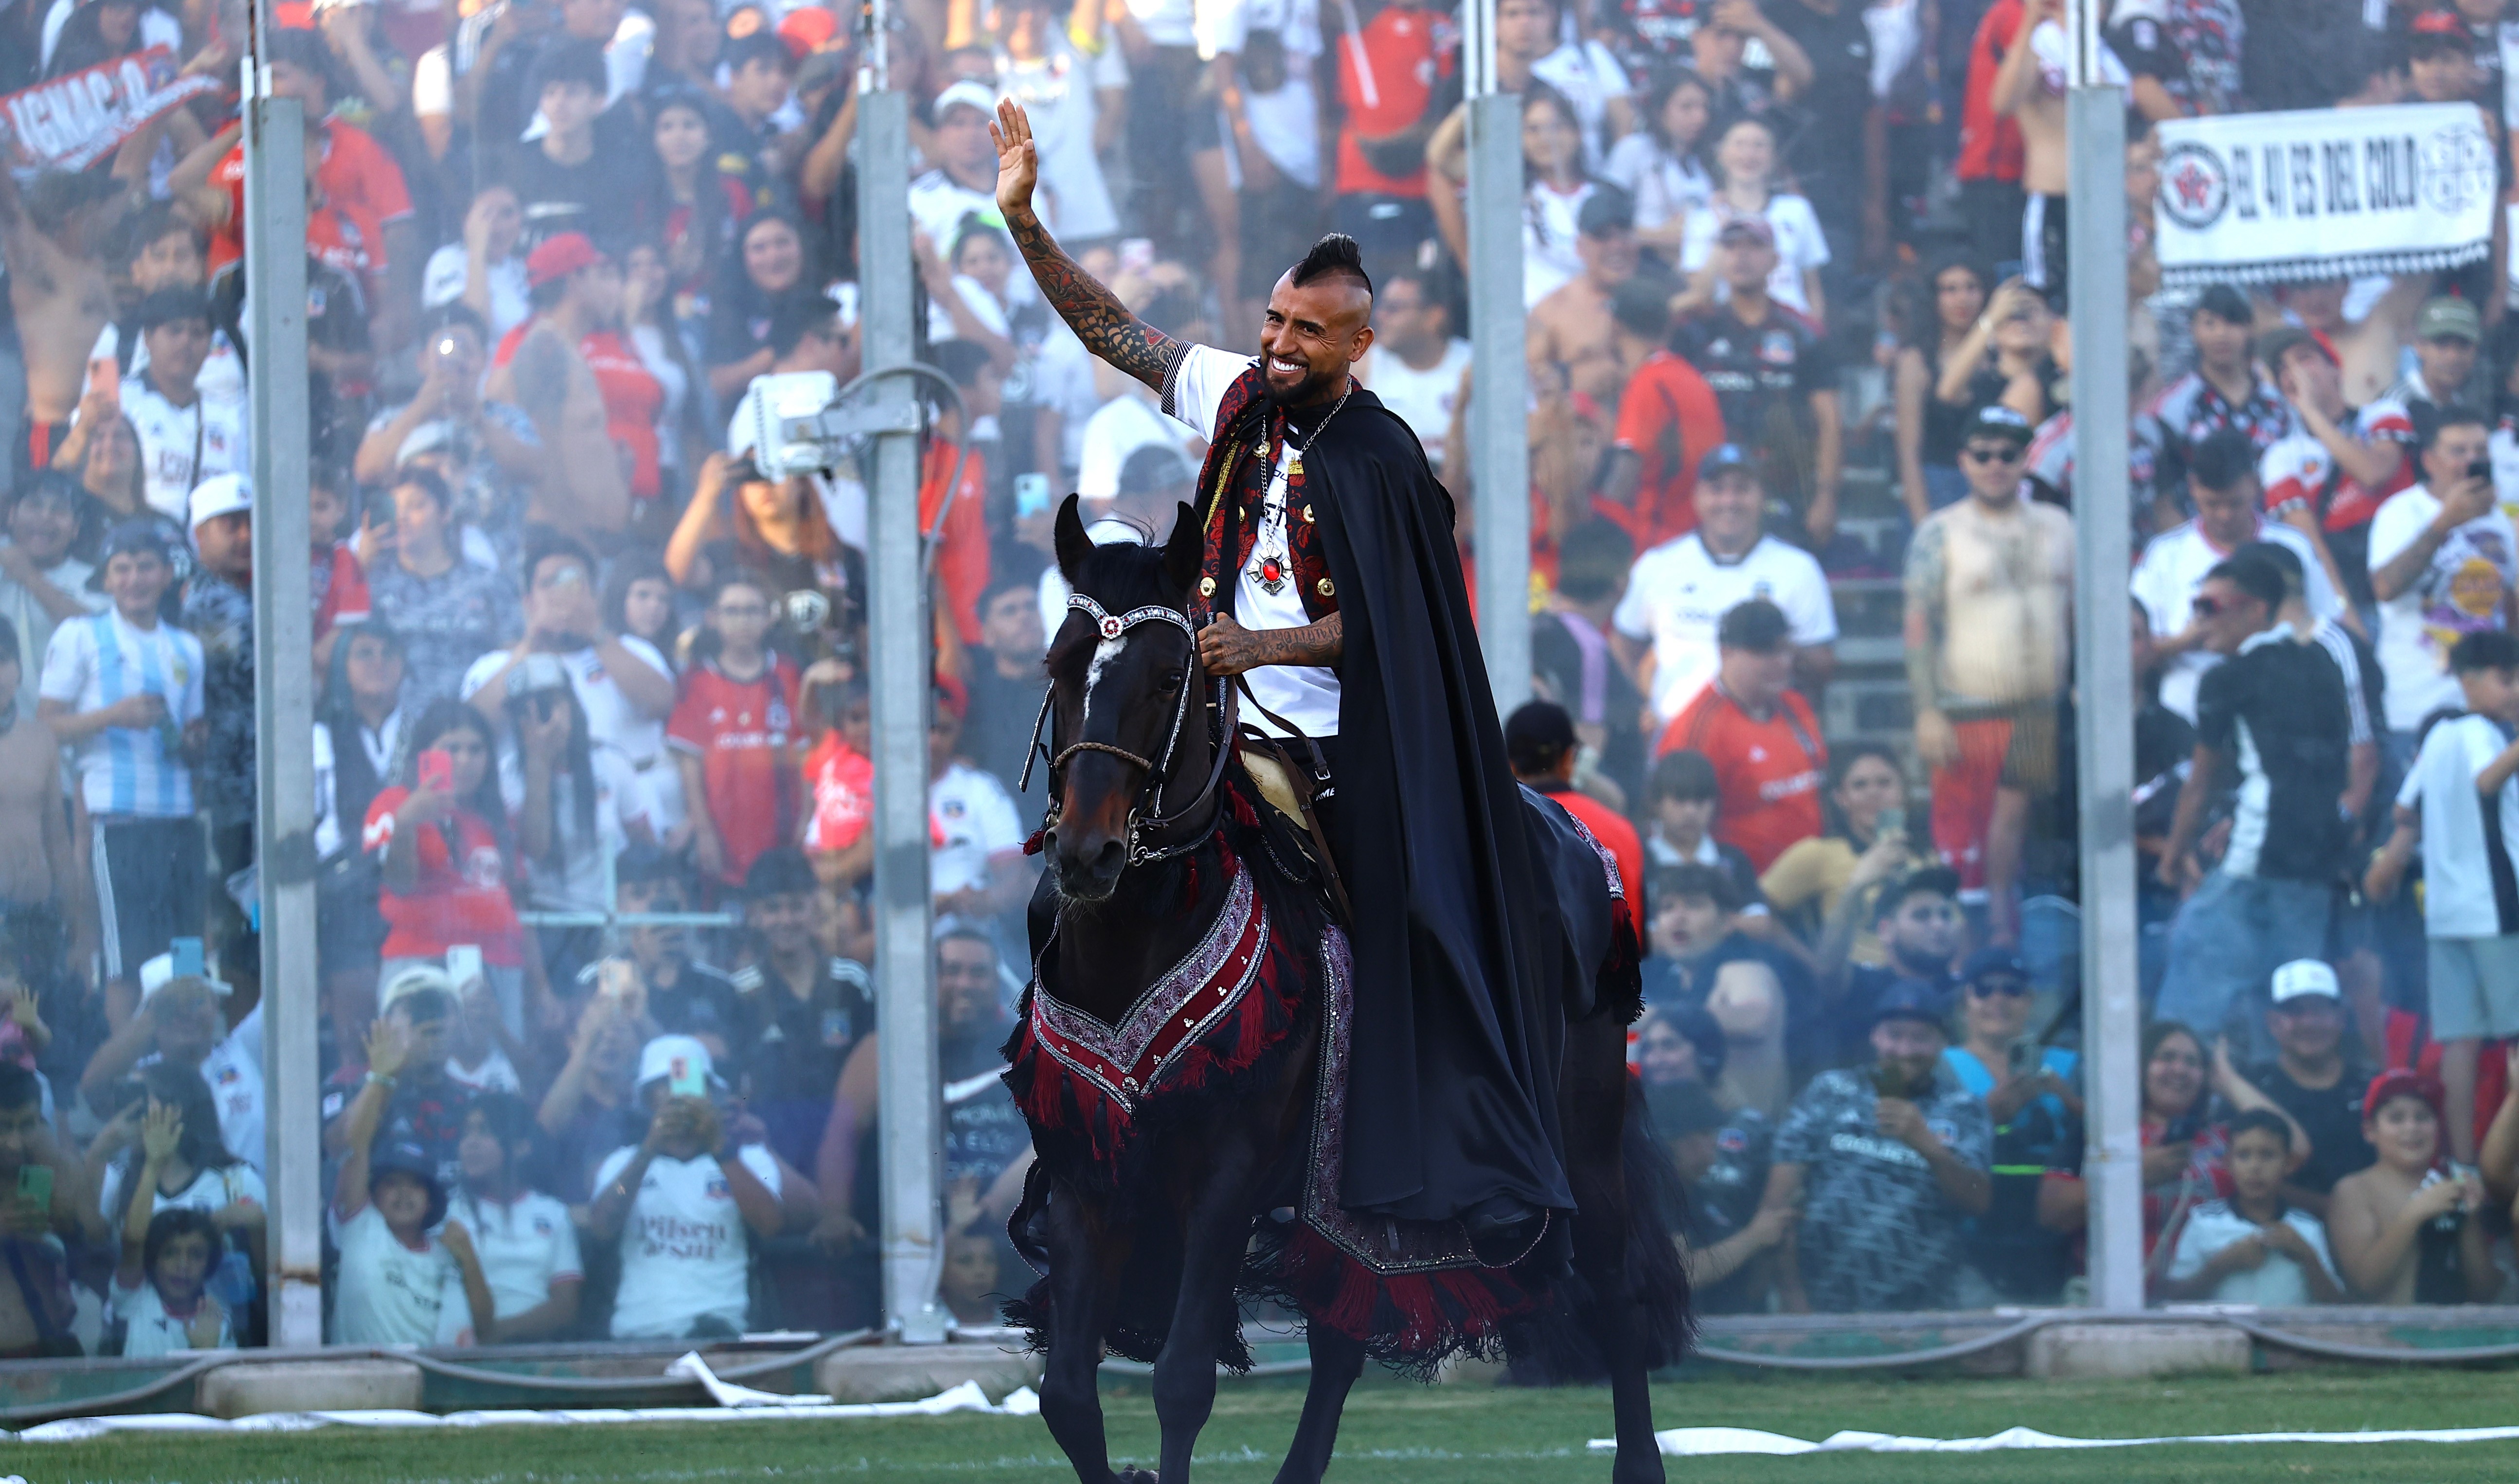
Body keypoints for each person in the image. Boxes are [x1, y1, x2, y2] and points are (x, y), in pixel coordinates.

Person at [997, 96, 1576, 1251]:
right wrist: (1023, 221)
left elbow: (1401, 625)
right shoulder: (1234, 394)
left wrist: (1262, 645)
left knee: (1410, 921)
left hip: (1334, 743)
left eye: (1307, 331)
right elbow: (1113, 333)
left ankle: (1454, 1164)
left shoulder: (1384, 457)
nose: (1279, 343)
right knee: (1070, 875)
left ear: (1357, 344)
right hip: (1202, 724)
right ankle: (1071, 1147)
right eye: (1272, 319)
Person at [2154, 553, 2352, 1049]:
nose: (2200, 622)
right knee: (2285, 1006)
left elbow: (2201, 781)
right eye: (2195, 607)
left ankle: (2177, 1082)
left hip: (2255, 862)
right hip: (2314, 867)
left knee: (2191, 993)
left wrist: (2172, 855)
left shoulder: (2228, 679)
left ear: (2256, 609)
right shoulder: (2323, 664)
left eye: (2211, 607)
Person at [1903, 405, 2072, 932]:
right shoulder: (1940, 532)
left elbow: (2081, 616)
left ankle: (2017, 962)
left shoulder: (2060, 527)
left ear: (2026, 459)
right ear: (1963, 461)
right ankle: (1965, 967)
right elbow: (1917, 628)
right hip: (1969, 718)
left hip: (2044, 717)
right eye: (1983, 455)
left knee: (2028, 867)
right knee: (1967, 870)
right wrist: (1928, 711)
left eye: (2008, 454)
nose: (1995, 464)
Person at [2364, 630, 2519, 1170]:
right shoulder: (2482, 731)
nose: (2515, 691)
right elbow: (2486, 782)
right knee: (2515, 1032)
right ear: (2468, 681)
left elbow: (2404, 810)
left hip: (2445, 911)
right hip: (2496, 903)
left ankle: (2463, 1161)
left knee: (2460, 1039)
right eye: (2507, 679)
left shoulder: (2437, 736)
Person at [37, 521, 204, 985]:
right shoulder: (80, 635)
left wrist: (194, 744)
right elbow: (45, 727)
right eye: (123, 569)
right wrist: (115, 715)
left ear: (166, 575)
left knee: (188, 960)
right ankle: (130, 1036)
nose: (135, 579)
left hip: (180, 820)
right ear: (107, 580)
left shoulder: (188, 648)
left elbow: (195, 739)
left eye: (146, 567)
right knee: (126, 965)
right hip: (116, 822)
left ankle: (180, 1034)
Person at [1758, 982, 1992, 1313]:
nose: (1905, 1050)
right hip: (1820, 1305)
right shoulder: (1829, 1090)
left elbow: (1978, 1201)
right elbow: (1778, 1204)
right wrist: (1792, 1295)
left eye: (1921, 1038)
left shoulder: (1963, 1107)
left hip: (1925, 1309)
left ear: (1942, 1042)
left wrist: (1927, 1145)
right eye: (1894, 1035)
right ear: (1875, 1036)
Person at [2131, 428, 2340, 724]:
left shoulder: (2292, 546)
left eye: (2235, 503)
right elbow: (2130, 654)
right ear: (2193, 488)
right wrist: (2187, 640)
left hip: (2279, 714)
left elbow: (2325, 626)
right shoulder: (2165, 555)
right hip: (2188, 715)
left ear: (2255, 485)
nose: (2225, 515)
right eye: (2212, 504)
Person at [1615, 445, 1836, 725]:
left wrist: (1769, 648)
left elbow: (1822, 666)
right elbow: (1622, 645)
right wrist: (1638, 706)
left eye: (1742, 489)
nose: (1729, 501)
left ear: (1762, 496)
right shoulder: (1658, 565)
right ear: (1697, 498)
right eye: (1717, 490)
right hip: (1676, 736)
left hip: (1761, 733)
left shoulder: (1798, 569)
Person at [586, 1037, 786, 1339]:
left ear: (709, 1094)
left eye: (688, 1084)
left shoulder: (747, 1160)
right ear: (647, 1099)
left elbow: (770, 1224)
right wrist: (648, 1151)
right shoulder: (624, 1162)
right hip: (638, 1336)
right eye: (664, 1086)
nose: (678, 1096)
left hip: (720, 1334)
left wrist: (720, 1148)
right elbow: (603, 1226)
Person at [361, 701, 531, 1037]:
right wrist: (407, 822)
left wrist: (541, 986)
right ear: (423, 756)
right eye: (452, 749)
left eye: (476, 749)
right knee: (415, 1060)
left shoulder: (497, 817)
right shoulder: (394, 804)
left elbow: (518, 904)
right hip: (419, 958)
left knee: (498, 1065)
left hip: (498, 962)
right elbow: (397, 883)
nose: (464, 760)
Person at [1669, 220, 1842, 542]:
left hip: (1786, 489)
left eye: (1754, 246)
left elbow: (1829, 420)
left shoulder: (1803, 332)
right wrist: (1694, 295)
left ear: (1775, 260)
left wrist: (1826, 495)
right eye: (1731, 246)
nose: (1741, 256)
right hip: (1711, 490)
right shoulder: (1693, 330)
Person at [2364, 408, 2518, 766]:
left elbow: (2510, 606)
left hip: (2490, 708)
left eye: (2480, 451)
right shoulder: (2400, 513)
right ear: (2430, 460)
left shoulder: (2498, 520)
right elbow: (2385, 587)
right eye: (2458, 451)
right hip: (2418, 705)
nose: (2471, 461)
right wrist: (2445, 522)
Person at [331, 1021, 492, 1345]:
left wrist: (469, 1260)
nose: (404, 1193)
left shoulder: (446, 1254)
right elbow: (355, 1145)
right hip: (358, 1377)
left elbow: (486, 1332)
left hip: (425, 1377)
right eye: (392, 1183)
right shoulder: (360, 1225)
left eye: (416, 1185)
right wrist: (380, 1078)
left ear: (431, 1200)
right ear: (374, 1193)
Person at [1941, 946, 2081, 1301]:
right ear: (1965, 1000)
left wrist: (2068, 1100)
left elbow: (2106, 1142)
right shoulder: (1941, 1068)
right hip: (1969, 1244)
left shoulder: (2071, 1066)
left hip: (2058, 1243)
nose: (1998, 999)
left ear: (2029, 1000)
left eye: (2012, 989)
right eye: (1984, 989)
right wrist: (1987, 1117)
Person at [1653, 599, 1827, 873]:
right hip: (1742, 881)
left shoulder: (1795, 706)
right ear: (1727, 653)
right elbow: (1674, 820)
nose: (1782, 662)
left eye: (1785, 650)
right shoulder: (1699, 727)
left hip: (1813, 871)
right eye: (1765, 651)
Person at [2259, 325, 2413, 627]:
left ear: (2335, 369)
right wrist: (2347, 615)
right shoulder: (2280, 457)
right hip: (2355, 598)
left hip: (2410, 586)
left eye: (2304, 359)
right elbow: (2310, 544)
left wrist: (2312, 413)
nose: (2294, 374)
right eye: (2282, 369)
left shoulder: (2383, 413)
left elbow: (2372, 473)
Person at [669, 576, 801, 890]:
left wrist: (806, 823)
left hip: (782, 834)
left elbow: (807, 755)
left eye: (752, 611)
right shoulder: (698, 681)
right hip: (722, 836)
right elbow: (690, 765)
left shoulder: (787, 675)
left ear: (768, 618)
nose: (743, 621)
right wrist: (703, 832)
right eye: (732, 611)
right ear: (712, 618)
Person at [2326, 1070, 2498, 1303]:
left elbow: (2484, 1293)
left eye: (2423, 1117)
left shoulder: (2452, 1186)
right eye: (2396, 1118)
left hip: (2453, 1323)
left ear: (2438, 1128)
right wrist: (2415, 1213)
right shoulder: (2354, 1191)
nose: (2411, 1128)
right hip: (2390, 1324)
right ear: (2370, 1131)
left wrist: (2470, 1218)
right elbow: (2364, 1285)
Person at [363, 469, 524, 709]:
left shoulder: (487, 584)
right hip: (397, 722)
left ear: (446, 513)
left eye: (416, 506)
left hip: (473, 722)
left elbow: (514, 658)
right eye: (395, 508)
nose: (402, 517)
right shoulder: (373, 583)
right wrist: (359, 566)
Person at [2157, 1109, 2347, 1305]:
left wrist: (2307, 1257)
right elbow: (2173, 1298)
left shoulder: (2307, 1228)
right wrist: (2222, 1266)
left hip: (2286, 1326)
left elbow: (2337, 1307)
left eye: (2268, 1155)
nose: (2255, 1167)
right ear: (2228, 1163)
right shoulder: (2204, 1222)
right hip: (2224, 1326)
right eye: (2244, 1156)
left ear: (2288, 1163)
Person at [437, 1094, 583, 1344]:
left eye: (484, 1131)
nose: (471, 1143)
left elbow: (566, 1307)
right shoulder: (447, 1212)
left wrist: (497, 1334)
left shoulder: (553, 1213)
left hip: (534, 1352)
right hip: (459, 1352)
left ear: (521, 1147)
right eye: (467, 1132)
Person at [2143, 285, 2296, 510]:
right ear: (2193, 330)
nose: (2221, 334)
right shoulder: (2173, 406)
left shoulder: (2279, 401)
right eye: (2210, 324)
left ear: (2250, 328)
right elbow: (2165, 489)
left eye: (2233, 322)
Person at [2247, 959, 2376, 1215]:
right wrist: (2334, 1211)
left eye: (2321, 1011)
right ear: (2273, 1023)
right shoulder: (2251, 1089)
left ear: (2341, 1018)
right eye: (2296, 1012)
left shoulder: (2372, 1085)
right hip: (2275, 1228)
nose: (2310, 1023)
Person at [1675, 114, 1829, 325]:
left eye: (1759, 146)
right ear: (1721, 154)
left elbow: (1812, 286)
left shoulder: (1797, 210)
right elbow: (1701, 292)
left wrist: (1815, 330)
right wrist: (1724, 231)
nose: (1748, 155)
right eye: (1739, 145)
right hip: (1732, 327)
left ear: (1773, 157)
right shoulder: (1702, 219)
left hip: (1791, 326)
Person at [1759, 742, 1906, 963]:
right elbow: (1754, 911)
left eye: (1884, 783)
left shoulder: (1930, 854)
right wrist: (1811, 963)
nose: (1873, 793)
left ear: (1903, 790)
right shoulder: (1818, 853)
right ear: (1841, 798)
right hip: (1855, 978)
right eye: (1859, 785)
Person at [1506, 701, 1644, 904]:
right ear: (1568, 758)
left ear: (1509, 762)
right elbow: (1632, 917)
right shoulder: (1620, 832)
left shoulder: (1494, 826)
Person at [1529, 188, 1643, 407]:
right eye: (1603, 237)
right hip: (1583, 423)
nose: (1617, 246)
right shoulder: (1552, 311)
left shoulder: (1661, 300)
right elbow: (1530, 391)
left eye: (1624, 234)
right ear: (1580, 247)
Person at [0, 474, 102, 716]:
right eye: (34, 506)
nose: (45, 517)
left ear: (76, 528)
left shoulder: (93, 581)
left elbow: (96, 635)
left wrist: (29, 576)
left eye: (59, 510)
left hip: (66, 731)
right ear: (12, 515)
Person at [1357, 268, 1473, 478]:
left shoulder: (1472, 366)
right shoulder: (1362, 368)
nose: (1380, 316)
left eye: (1393, 309)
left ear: (1433, 317)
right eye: (1380, 306)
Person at [0, 616, 75, 943]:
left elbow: (57, 838)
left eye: (3, 660)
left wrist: (76, 924)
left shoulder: (41, 740)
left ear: (18, 669)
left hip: (36, 917)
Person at [110, 1204, 233, 1355]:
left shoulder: (218, 1314)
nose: (183, 1265)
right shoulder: (135, 1298)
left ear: (210, 1262)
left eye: (196, 1255)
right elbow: (133, 1239)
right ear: (153, 1259)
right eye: (170, 1253)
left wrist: (207, 1348)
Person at [2385, 296, 2491, 440]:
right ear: (2419, 345)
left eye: (2463, 345)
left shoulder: (2466, 405)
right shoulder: (2397, 405)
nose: (2453, 356)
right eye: (2442, 344)